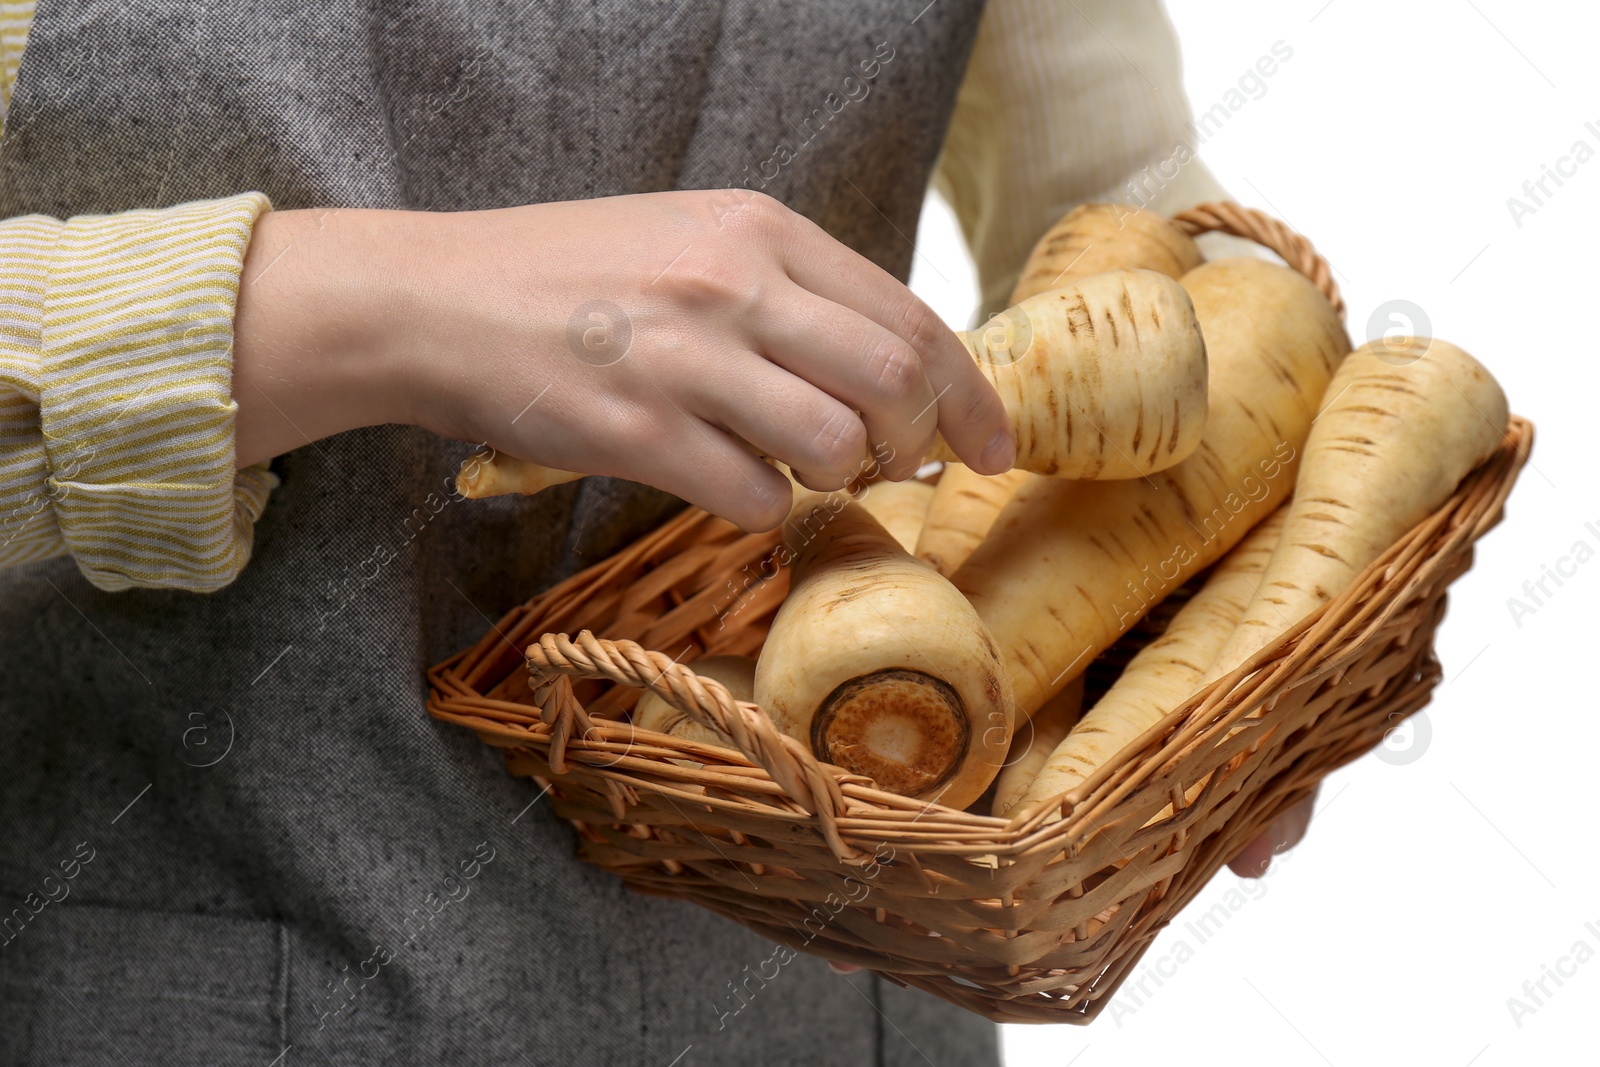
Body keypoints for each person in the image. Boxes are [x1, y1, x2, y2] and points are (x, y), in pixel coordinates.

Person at [0, 0, 1311, 1062]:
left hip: (837, 997)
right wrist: (368, 309)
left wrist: (1232, 571)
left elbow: (1112, 195)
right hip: (141, 964)